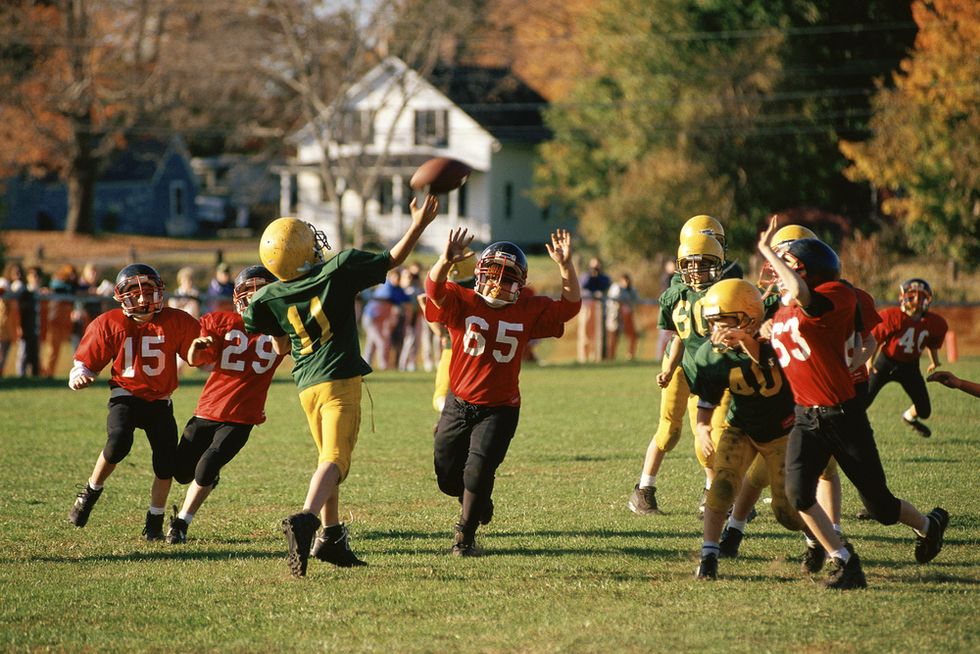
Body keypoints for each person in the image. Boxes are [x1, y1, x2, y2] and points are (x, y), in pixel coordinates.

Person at [242, 197, 439, 578]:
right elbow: (392, 259)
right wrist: (418, 224)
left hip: (306, 387)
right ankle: (307, 519)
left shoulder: (269, 296)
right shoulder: (338, 269)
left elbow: (278, 342)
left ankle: (331, 539)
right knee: (336, 460)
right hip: (338, 379)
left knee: (325, 461)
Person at [758, 216, 948, 589]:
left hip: (841, 415)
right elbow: (788, 322)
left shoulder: (837, 295)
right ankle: (844, 560)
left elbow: (807, 300)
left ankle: (929, 525)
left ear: (805, 270)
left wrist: (767, 249)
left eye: (784, 265)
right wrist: (761, 332)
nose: (775, 274)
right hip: (805, 416)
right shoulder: (784, 308)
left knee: (879, 506)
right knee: (798, 495)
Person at [424, 229, 580, 556]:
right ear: (480, 276)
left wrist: (566, 267)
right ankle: (478, 499)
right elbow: (433, 288)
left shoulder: (526, 308)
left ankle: (464, 538)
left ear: (519, 284)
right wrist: (444, 259)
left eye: (506, 278)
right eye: (491, 276)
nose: (497, 285)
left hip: (500, 407)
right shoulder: (463, 301)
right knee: (447, 477)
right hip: (459, 401)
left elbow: (569, 307)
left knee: (478, 470)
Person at [66, 264, 200, 540]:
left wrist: (208, 353)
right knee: (118, 442)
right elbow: (85, 362)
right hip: (125, 396)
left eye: (148, 292)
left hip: (160, 401)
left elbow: (199, 355)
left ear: (159, 292)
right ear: (122, 296)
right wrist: (80, 375)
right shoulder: (110, 322)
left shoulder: (176, 320)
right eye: (135, 293)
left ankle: (154, 521)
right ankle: (90, 492)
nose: (142, 299)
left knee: (166, 464)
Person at [688, 279, 804, 579]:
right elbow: (708, 399)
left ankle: (818, 541)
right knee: (721, 487)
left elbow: (764, 357)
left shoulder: (773, 339)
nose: (717, 331)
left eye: (724, 322)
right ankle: (709, 556)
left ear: (750, 318)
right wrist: (702, 429)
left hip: (782, 431)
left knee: (787, 511)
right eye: (713, 323)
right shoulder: (711, 354)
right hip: (742, 427)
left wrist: (747, 341)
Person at [166, 265, 286, 544]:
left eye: (263, 294)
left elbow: (287, 348)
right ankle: (206, 481)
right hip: (208, 408)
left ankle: (181, 522)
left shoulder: (283, 329)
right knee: (182, 472)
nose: (255, 300)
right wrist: (195, 349)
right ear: (237, 298)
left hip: (243, 415)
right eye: (250, 294)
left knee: (206, 467)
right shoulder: (220, 321)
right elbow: (197, 360)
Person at [629, 227, 733, 517]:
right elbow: (676, 336)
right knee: (669, 431)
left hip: (714, 370)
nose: (697, 269)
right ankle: (644, 490)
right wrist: (668, 368)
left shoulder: (726, 289)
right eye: (691, 262)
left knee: (715, 434)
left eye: (706, 259)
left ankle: (715, 493)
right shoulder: (677, 292)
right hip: (683, 368)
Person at [866, 278, 948, 438]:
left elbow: (932, 344)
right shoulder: (892, 316)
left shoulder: (933, 322)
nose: (917, 300)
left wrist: (934, 361)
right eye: (913, 296)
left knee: (924, 410)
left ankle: (909, 417)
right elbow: (875, 341)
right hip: (886, 362)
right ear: (903, 297)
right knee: (863, 401)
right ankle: (851, 429)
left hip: (910, 366)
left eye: (921, 297)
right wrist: (869, 362)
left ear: (928, 299)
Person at [43, 264, 79, 378]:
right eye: (70, 273)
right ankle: (47, 372)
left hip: (66, 321)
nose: (72, 276)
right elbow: (58, 287)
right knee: (52, 348)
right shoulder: (58, 283)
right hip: (55, 320)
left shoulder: (72, 286)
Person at [577, 257, 610, 362]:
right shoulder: (585, 276)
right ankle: (583, 358)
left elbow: (604, 285)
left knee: (597, 335)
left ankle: (596, 358)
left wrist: (597, 277)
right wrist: (592, 276)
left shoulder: (604, 278)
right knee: (584, 334)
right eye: (593, 266)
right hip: (586, 308)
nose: (595, 268)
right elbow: (584, 284)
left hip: (599, 309)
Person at [605, 273, 639, 361]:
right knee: (613, 337)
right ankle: (611, 357)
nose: (626, 282)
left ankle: (630, 355)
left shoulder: (631, 290)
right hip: (615, 317)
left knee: (633, 336)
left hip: (627, 318)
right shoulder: (616, 288)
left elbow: (636, 300)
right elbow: (614, 300)